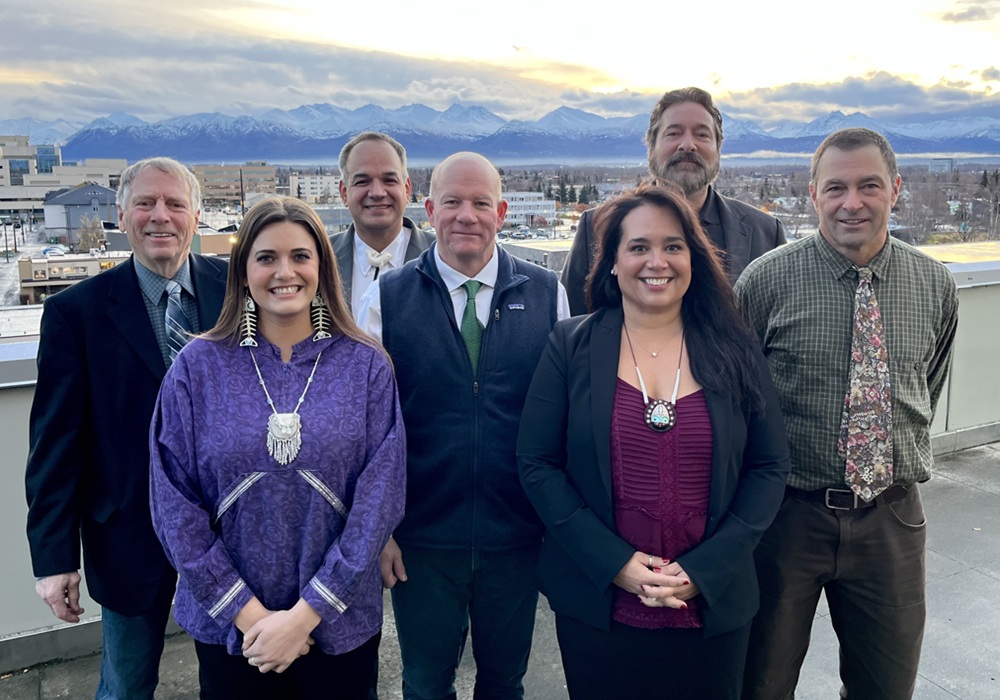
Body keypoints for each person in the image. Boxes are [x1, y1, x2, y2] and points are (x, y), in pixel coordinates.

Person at [516, 184, 791, 699]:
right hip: (598, 609)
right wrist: (615, 564)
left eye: (673, 246)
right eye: (638, 246)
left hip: (713, 609)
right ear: (613, 263)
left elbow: (770, 466)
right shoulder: (570, 346)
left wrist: (704, 570)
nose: (656, 261)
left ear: (694, 260)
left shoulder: (735, 348)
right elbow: (538, 464)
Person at [148, 196, 405, 699]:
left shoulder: (367, 367)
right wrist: (252, 617)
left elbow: (380, 502)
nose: (284, 271)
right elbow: (172, 504)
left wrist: (307, 615)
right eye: (266, 257)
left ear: (321, 267)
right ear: (243, 271)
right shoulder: (197, 368)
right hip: (234, 633)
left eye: (300, 256)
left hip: (339, 629)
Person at [735, 128, 959, 700]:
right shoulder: (765, 281)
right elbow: (738, 400)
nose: (851, 202)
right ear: (813, 194)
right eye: (835, 187)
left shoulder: (934, 283)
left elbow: (923, 389)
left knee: (885, 686)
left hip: (892, 521)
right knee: (761, 680)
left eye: (869, 186)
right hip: (786, 519)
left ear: (895, 190)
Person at [357, 152, 570, 699]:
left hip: (516, 538)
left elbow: (565, 422)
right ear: (429, 210)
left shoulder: (548, 296)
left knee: (505, 682)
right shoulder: (385, 299)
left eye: (480, 203)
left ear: (501, 211)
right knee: (426, 684)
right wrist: (380, 531)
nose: (466, 215)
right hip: (422, 543)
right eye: (452, 201)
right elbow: (366, 432)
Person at [25, 157, 228, 700]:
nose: (160, 216)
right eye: (145, 203)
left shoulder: (239, 289)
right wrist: (54, 557)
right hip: (127, 533)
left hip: (230, 531)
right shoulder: (77, 313)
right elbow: (55, 442)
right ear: (121, 215)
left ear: (198, 215)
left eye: (175, 204)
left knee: (235, 678)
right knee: (126, 683)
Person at [561, 87, 785, 315]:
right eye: (673, 133)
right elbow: (574, 326)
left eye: (702, 135)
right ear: (651, 147)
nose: (688, 145)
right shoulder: (596, 226)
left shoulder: (764, 233)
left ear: (718, 149)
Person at [332, 131, 435, 320]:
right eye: (362, 181)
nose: (377, 192)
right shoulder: (318, 257)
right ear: (344, 192)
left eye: (389, 180)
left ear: (406, 189)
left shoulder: (443, 257)